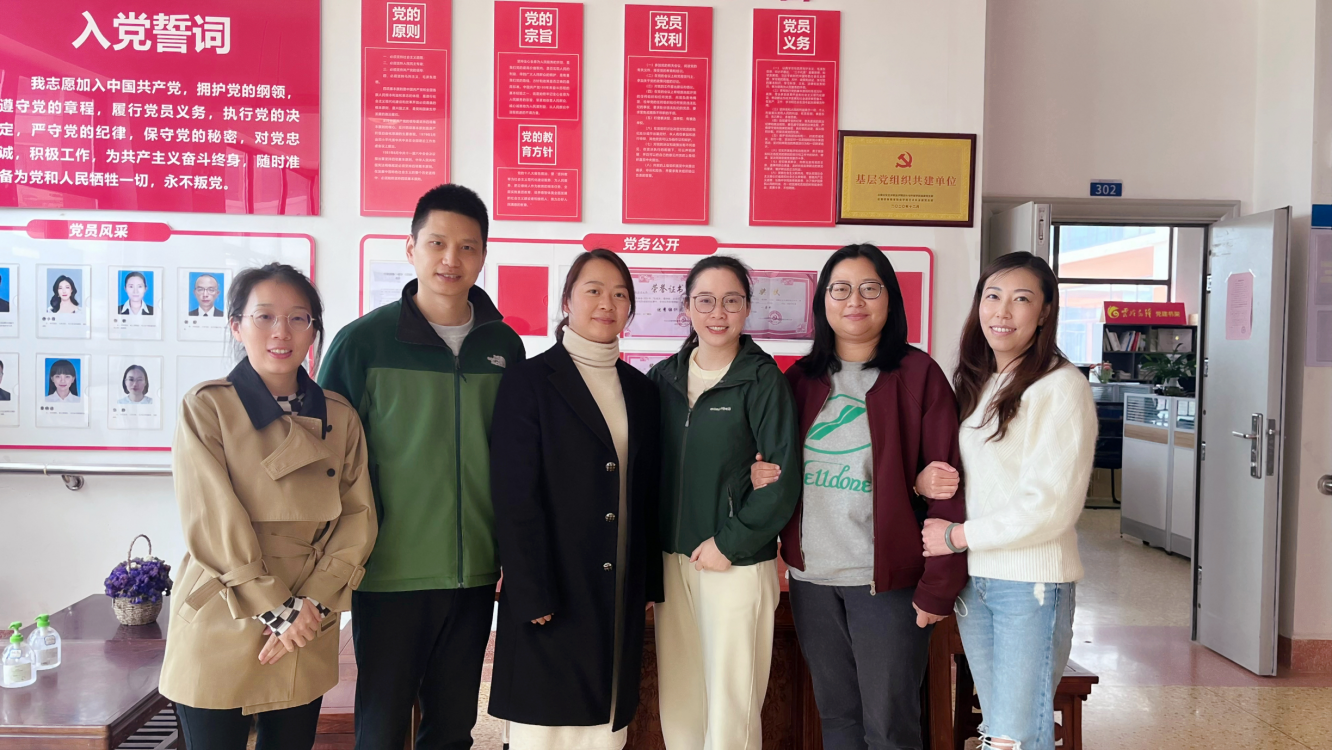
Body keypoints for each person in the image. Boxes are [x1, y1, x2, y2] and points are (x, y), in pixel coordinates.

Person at [320, 184, 525, 750]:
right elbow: (326, 460)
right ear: (410, 249)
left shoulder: (504, 347)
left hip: (474, 573)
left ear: (483, 256)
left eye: (467, 247)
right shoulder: (363, 344)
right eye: (437, 243)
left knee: (453, 728)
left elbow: (517, 461)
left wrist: (512, 555)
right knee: (382, 727)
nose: (450, 259)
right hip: (387, 570)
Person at [749, 244, 967, 750]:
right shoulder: (799, 380)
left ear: (890, 300)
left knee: (890, 728)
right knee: (838, 719)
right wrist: (758, 474)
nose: (855, 301)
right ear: (823, 301)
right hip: (812, 580)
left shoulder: (919, 375)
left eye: (870, 288)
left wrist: (940, 586)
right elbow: (771, 461)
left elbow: (949, 486)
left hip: (886, 583)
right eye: (841, 289)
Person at [159, 263, 377, 750]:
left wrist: (310, 605)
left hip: (309, 613)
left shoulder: (340, 416)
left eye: (299, 318)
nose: (282, 332)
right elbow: (212, 516)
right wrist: (277, 609)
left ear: (314, 331)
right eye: (264, 317)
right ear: (236, 326)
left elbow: (358, 517)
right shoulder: (207, 406)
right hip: (224, 605)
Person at [914, 252, 1097, 750]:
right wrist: (924, 482)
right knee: (999, 731)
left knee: (1019, 735)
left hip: (1029, 583)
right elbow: (971, 476)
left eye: (1021, 299)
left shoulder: (1061, 386)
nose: (1003, 311)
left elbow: (1051, 506)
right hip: (977, 579)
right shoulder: (980, 384)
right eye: (992, 296)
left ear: (1044, 312)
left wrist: (957, 536)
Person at [489, 249, 662, 750]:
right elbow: (514, 492)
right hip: (552, 588)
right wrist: (529, 588)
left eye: (620, 294)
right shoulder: (528, 380)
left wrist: (648, 582)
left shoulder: (642, 391)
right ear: (567, 300)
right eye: (593, 290)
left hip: (616, 591)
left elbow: (648, 491)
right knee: (543, 730)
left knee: (603, 733)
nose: (607, 303)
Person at [646, 255, 800, 750]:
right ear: (686, 308)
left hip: (734, 561)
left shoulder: (762, 379)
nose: (718, 313)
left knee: (731, 705)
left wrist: (728, 544)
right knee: (681, 699)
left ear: (747, 307)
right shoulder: (662, 378)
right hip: (673, 560)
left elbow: (781, 480)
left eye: (731, 301)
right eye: (706, 301)